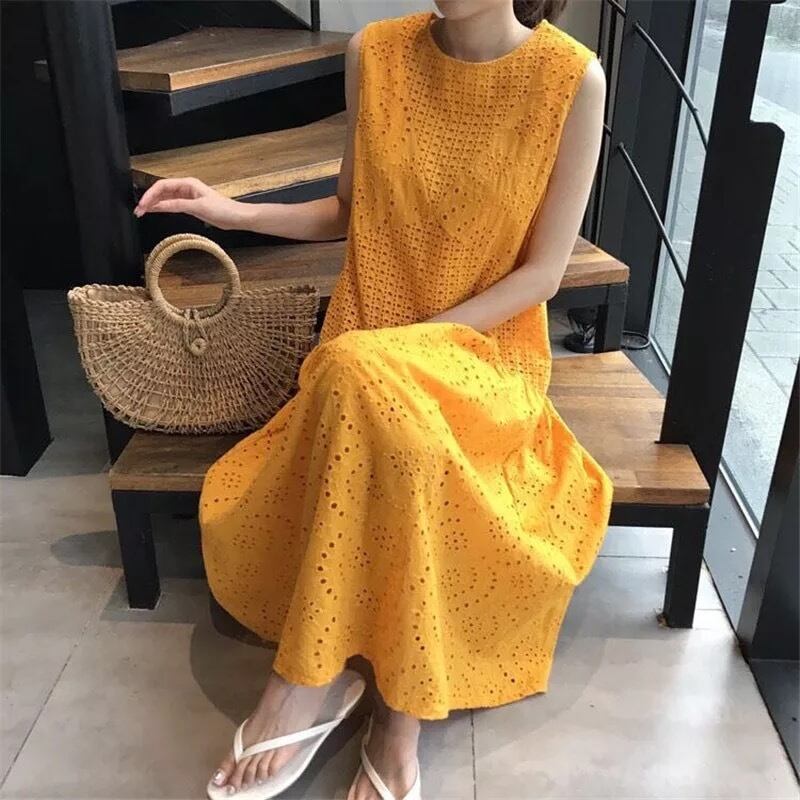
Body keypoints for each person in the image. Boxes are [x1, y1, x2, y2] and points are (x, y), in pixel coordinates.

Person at [134, 1, 612, 798]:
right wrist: (228, 210)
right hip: (362, 356)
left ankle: (336, 692)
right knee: (384, 413)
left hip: (482, 358)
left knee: (372, 388)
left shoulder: (571, 79)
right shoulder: (376, 54)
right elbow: (349, 211)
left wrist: (409, 344)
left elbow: (543, 274)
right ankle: (370, 704)